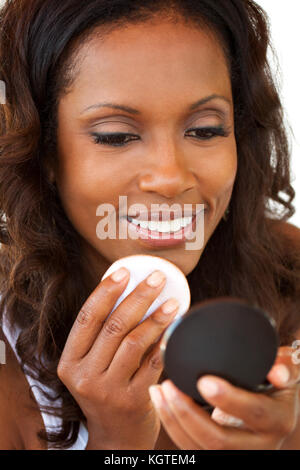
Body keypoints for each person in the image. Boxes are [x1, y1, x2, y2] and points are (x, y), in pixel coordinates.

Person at [0, 0, 299, 450]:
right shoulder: (8, 369)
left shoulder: (288, 275)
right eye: (116, 136)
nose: (171, 177)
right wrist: (119, 440)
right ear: (40, 151)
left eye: (204, 130)